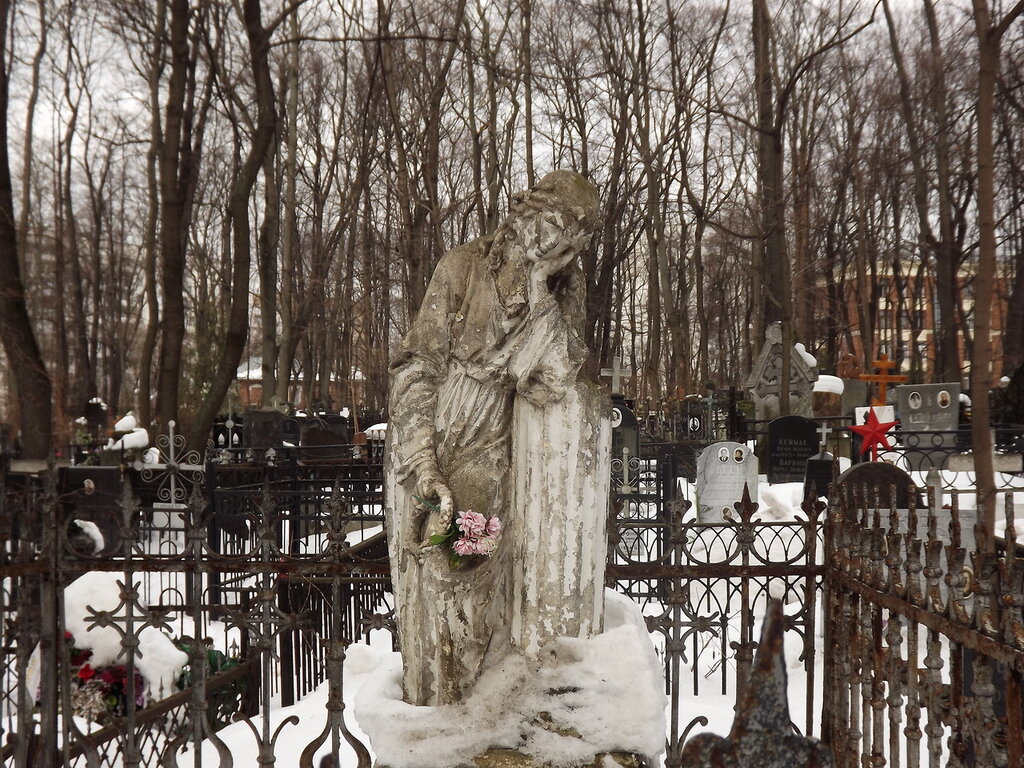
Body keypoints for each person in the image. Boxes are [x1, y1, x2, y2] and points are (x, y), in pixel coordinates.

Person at [385, 171, 602, 706]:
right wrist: (422, 458)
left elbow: (553, 380)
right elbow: (417, 367)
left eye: (567, 239)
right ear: (524, 211)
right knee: (431, 595)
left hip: (491, 448)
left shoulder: (557, 294)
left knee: (469, 574)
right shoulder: (463, 267)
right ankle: (435, 718)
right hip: (434, 430)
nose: (551, 242)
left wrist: (538, 288)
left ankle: (471, 716)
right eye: (550, 224)